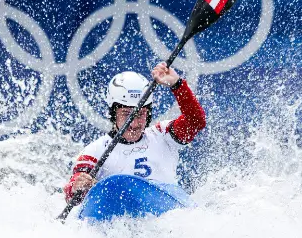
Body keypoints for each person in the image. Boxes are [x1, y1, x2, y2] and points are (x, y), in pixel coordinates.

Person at [63, 62, 206, 203]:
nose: (134, 123)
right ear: (114, 114)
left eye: (140, 114)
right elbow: (71, 197)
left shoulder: (162, 135)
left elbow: (196, 121)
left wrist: (178, 85)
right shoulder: (94, 151)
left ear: (148, 114)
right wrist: (76, 186)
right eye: (126, 114)